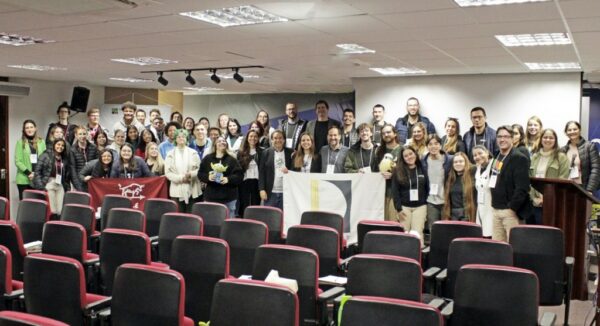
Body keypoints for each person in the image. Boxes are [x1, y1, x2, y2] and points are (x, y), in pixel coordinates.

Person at [490, 126, 531, 242]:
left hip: (511, 212)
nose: (502, 139)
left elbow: (522, 188)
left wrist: (512, 208)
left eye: (506, 136)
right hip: (496, 209)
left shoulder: (519, 158)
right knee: (497, 248)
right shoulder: (497, 156)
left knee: (514, 247)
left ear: (512, 139)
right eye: (499, 136)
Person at [529, 128, 569, 225]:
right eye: (545, 137)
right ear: (541, 139)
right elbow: (529, 179)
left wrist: (548, 198)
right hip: (535, 203)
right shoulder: (534, 157)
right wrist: (533, 198)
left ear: (555, 140)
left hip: (553, 203)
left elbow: (563, 180)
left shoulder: (561, 157)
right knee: (535, 233)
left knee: (548, 234)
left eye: (551, 138)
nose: (548, 140)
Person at [392, 146, 429, 244]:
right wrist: (398, 209)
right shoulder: (397, 170)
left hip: (420, 206)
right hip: (404, 207)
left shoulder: (423, 168)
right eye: (406, 156)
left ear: (415, 154)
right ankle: (404, 256)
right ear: (403, 158)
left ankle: (418, 257)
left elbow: (427, 187)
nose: (409, 157)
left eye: (411, 154)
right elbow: (395, 191)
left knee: (417, 234)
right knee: (404, 234)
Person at [198, 136, 243, 215]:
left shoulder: (232, 159)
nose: (222, 142)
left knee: (228, 224)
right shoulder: (207, 158)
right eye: (219, 141)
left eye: (224, 141)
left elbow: (239, 176)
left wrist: (228, 179)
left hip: (229, 198)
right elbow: (200, 174)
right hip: (211, 197)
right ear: (215, 144)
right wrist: (208, 177)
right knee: (211, 223)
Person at [421, 135, 453, 232]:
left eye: (436, 143)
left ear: (440, 145)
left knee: (446, 230)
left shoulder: (449, 160)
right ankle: (433, 247)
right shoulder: (423, 161)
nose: (433, 146)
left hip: (446, 201)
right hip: (431, 201)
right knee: (433, 229)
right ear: (427, 146)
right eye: (430, 144)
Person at [165, 129, 202, 212]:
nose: (181, 138)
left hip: (192, 189)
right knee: (178, 217)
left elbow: (200, 169)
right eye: (178, 137)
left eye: (183, 136)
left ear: (187, 139)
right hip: (176, 190)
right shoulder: (170, 154)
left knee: (191, 216)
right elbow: (167, 173)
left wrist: (191, 174)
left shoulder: (194, 153)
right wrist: (181, 178)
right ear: (175, 139)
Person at [372, 125, 402, 222]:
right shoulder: (378, 151)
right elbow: (374, 170)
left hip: (395, 193)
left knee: (393, 223)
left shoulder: (402, 150)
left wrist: (393, 174)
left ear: (395, 133)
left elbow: (407, 171)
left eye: (388, 132)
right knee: (382, 222)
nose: (386, 135)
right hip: (381, 193)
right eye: (383, 133)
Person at [33, 139, 70, 218]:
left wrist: (67, 186)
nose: (60, 147)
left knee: (60, 210)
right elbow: (37, 171)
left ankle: (58, 227)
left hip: (60, 185)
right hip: (49, 184)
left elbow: (66, 174)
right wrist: (41, 187)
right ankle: (51, 228)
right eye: (58, 144)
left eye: (62, 145)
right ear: (54, 145)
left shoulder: (64, 158)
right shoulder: (45, 155)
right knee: (52, 211)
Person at [560, 121, 600, 193]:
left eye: (575, 129)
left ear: (580, 130)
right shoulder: (563, 150)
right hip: (566, 187)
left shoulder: (589, 146)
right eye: (569, 130)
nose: (572, 132)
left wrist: (589, 190)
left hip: (583, 188)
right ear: (566, 133)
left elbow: (596, 169)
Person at [259, 130, 291, 209]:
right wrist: (261, 189)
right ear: (272, 140)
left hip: (286, 192)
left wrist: (289, 171)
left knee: (284, 218)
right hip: (270, 192)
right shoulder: (265, 153)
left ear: (284, 140)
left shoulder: (290, 152)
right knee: (269, 217)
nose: (278, 140)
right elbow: (261, 173)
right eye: (275, 138)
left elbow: (295, 170)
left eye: (280, 138)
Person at [15, 120, 46, 200]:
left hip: (38, 178)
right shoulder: (20, 143)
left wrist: (36, 174)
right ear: (24, 130)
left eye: (31, 127)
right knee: (25, 206)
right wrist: (29, 173)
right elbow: (18, 161)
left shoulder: (41, 142)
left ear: (35, 128)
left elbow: (45, 159)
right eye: (27, 128)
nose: (29, 129)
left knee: (38, 205)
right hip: (23, 179)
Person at [443, 152, 476, 221]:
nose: (458, 164)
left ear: (466, 162)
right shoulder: (450, 178)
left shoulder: (472, 175)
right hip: (453, 215)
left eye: (461, 161)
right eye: (455, 162)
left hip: (466, 214)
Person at [237, 130, 263, 216]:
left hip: (257, 181)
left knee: (256, 202)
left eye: (255, 136)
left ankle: (255, 221)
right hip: (244, 181)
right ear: (247, 138)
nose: (253, 138)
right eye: (251, 136)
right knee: (244, 202)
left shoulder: (262, 151)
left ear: (258, 138)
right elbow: (239, 169)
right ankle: (244, 221)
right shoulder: (240, 152)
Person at [472, 145, 494, 237]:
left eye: (480, 153)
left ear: (487, 153)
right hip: (481, 208)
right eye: (475, 155)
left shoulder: (495, 165)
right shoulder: (478, 168)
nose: (477, 157)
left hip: (493, 209)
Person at [69, 126, 98, 191]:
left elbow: (98, 165)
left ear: (87, 134)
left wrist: (94, 179)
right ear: (76, 135)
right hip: (79, 182)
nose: (82, 136)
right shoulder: (72, 150)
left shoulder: (94, 147)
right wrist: (77, 186)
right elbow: (72, 169)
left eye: (84, 134)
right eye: (80, 134)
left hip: (92, 181)